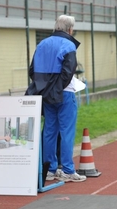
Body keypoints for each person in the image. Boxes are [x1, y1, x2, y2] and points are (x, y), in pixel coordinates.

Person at [25, 15, 86, 182]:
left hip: (45, 94)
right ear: (70, 29)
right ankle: (67, 169)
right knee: (67, 131)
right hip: (64, 93)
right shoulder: (69, 45)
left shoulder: (42, 44)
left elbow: (32, 70)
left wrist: (45, 88)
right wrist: (57, 89)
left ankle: (50, 170)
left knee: (49, 131)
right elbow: (68, 72)